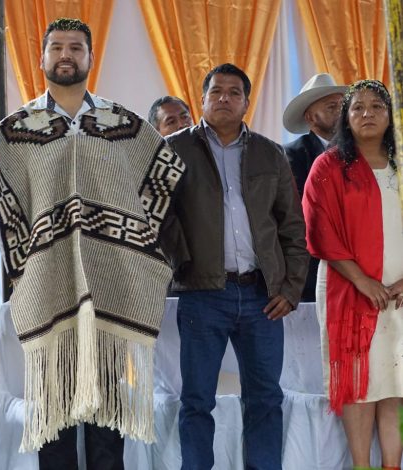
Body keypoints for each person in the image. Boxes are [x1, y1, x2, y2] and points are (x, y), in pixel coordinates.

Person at [0, 18, 184, 469]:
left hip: (111, 286)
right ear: (43, 57)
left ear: (91, 57)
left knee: (107, 419)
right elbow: (0, 198)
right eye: (56, 47)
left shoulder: (123, 123)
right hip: (49, 285)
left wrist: (133, 249)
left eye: (75, 47)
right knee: (55, 421)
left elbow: (162, 177)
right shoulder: (15, 130)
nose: (66, 55)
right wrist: (23, 265)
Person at [163, 63, 308, 470]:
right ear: (203, 99)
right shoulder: (173, 150)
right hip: (202, 295)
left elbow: (292, 227)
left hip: (264, 296)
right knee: (197, 401)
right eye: (216, 92)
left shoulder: (269, 152)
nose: (224, 98)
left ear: (247, 102)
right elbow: (156, 218)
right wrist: (183, 263)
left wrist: (291, 287)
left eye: (233, 92)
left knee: (265, 399)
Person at [303, 80, 403, 470]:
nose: (367, 114)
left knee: (395, 381)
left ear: (391, 116)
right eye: (357, 107)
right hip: (350, 288)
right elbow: (319, 229)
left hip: (398, 290)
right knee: (360, 384)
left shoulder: (400, 164)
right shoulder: (329, 166)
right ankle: (361, 465)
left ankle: (392, 465)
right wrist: (361, 280)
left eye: (377, 106)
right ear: (345, 117)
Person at [283, 73, 346, 302]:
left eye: (343, 106)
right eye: (332, 107)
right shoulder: (291, 155)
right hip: (312, 272)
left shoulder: (364, 154)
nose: (342, 113)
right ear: (310, 117)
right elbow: (298, 213)